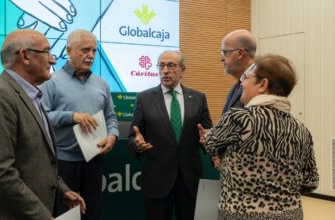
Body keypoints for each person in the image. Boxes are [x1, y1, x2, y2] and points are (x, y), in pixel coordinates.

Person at [0, 29, 86, 220]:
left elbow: (38, 159)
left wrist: (62, 189)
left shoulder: (32, 95)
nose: (53, 60)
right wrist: (43, 216)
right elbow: (0, 173)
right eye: (47, 52)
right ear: (25, 56)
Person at [202, 54, 319, 220]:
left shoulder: (239, 118)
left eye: (248, 78)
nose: (242, 83)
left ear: (263, 84)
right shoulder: (302, 130)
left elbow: (210, 143)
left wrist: (217, 153)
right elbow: (310, 182)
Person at [40, 29, 119, 220]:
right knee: (66, 215)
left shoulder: (102, 84)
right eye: (85, 50)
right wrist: (72, 116)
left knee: (91, 213)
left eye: (94, 51)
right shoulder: (51, 82)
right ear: (69, 51)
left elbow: (111, 117)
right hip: (63, 163)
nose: (90, 55)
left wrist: (113, 136)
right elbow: (40, 117)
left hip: (94, 159)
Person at [127, 50, 213, 220]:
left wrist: (207, 140)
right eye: (162, 65)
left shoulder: (198, 98)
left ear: (182, 69)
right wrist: (137, 145)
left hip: (190, 180)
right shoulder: (144, 98)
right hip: (157, 180)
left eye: (171, 65)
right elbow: (132, 137)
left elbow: (208, 135)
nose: (165, 70)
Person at [211, 29, 257, 168]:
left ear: (240, 53)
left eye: (225, 52)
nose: (221, 58)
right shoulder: (236, 86)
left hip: (251, 172)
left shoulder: (261, 83)